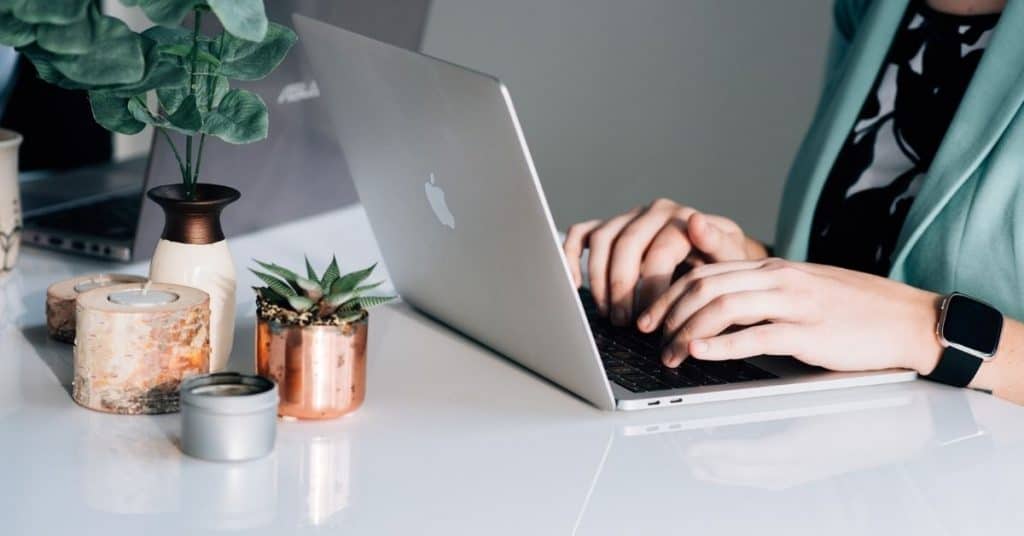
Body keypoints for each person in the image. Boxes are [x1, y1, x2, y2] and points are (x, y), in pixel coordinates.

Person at [562, 0, 1024, 404]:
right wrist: (746, 267)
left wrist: (923, 329)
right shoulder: (869, 8)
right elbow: (854, 269)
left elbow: (884, 310)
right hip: (837, 451)